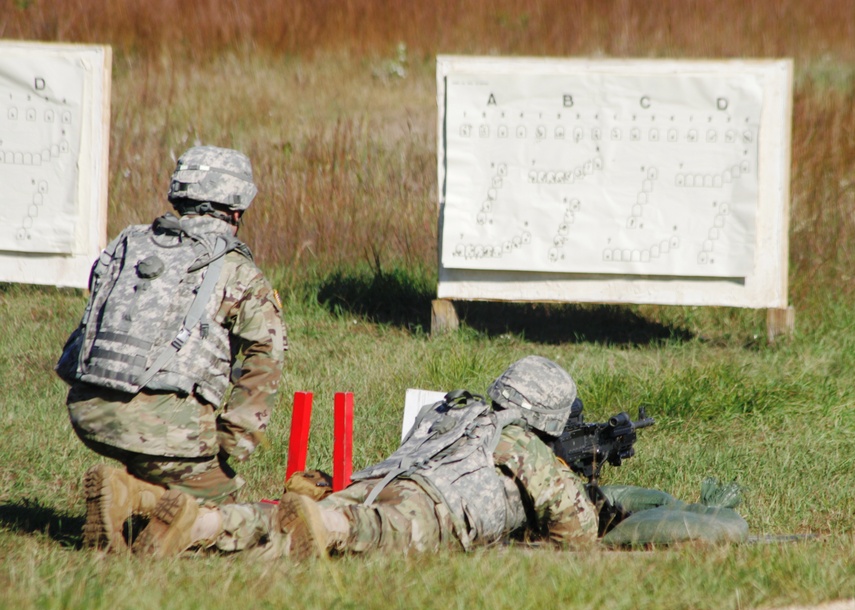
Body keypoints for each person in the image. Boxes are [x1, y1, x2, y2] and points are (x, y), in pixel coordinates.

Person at [56, 145, 287, 553]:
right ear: (236, 210)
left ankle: (127, 489)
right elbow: (265, 358)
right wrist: (231, 443)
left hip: (87, 411)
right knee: (227, 511)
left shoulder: (127, 245)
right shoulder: (239, 271)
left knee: (163, 463)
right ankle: (137, 499)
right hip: (166, 431)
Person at [134, 355, 600, 558]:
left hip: (376, 481)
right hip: (431, 508)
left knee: (287, 518)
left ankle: (192, 519)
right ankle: (323, 525)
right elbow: (578, 535)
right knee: (362, 530)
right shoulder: (527, 446)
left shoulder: (455, 408)